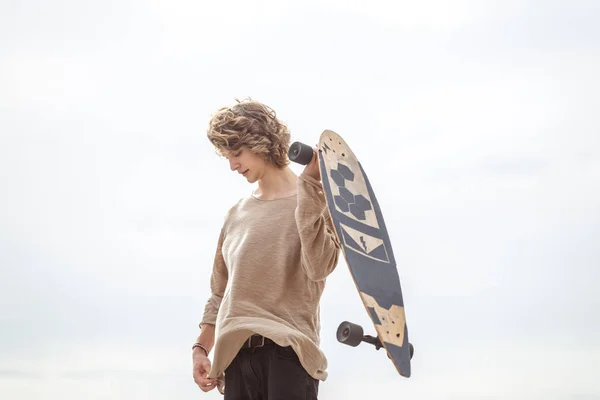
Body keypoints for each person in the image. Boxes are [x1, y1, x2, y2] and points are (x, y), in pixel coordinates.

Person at [192, 98, 341, 399]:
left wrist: (311, 190)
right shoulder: (236, 214)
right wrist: (200, 348)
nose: (232, 165)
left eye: (237, 153)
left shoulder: (316, 199)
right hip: (234, 358)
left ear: (261, 143)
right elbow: (220, 292)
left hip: (288, 354)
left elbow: (319, 267)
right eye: (227, 156)